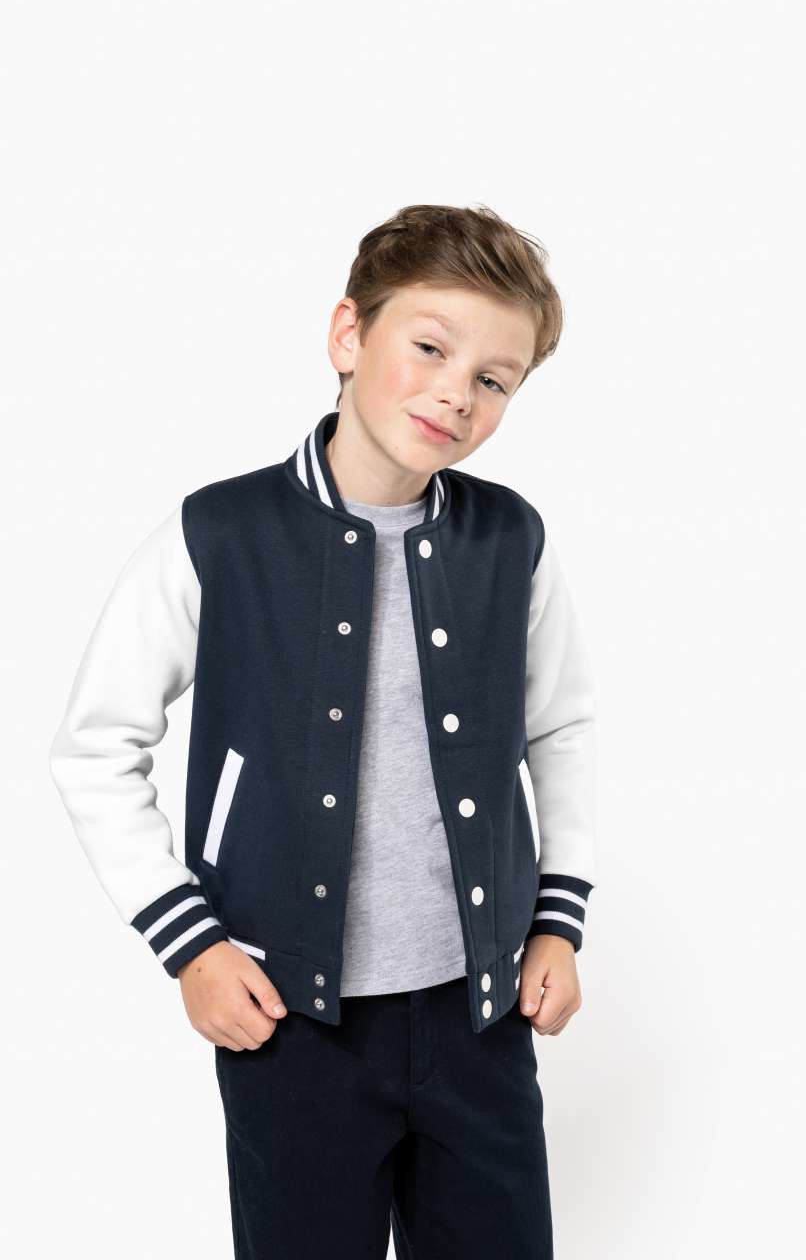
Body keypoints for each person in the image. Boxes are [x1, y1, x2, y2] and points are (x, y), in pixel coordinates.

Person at [49, 202, 599, 1258]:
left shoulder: (508, 539)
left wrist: (557, 923)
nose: (457, 391)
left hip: (479, 1014)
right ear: (348, 334)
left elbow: (561, 726)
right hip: (288, 1019)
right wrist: (191, 943)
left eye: (494, 379)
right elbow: (94, 745)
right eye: (430, 348)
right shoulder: (220, 531)